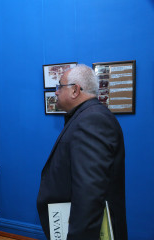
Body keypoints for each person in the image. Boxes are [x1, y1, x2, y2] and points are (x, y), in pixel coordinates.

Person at [37, 64, 127, 240]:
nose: (56, 92)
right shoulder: (87, 116)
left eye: (59, 87)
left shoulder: (92, 120)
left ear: (75, 90)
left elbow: (89, 195)